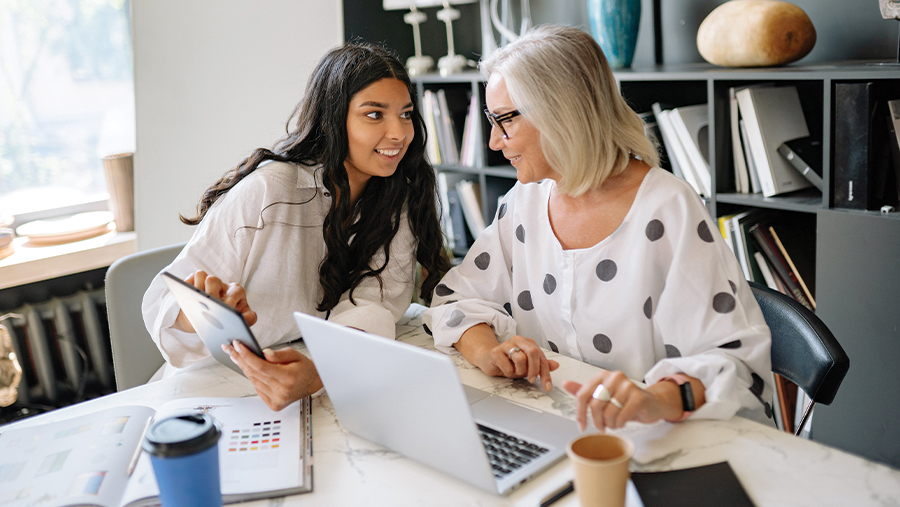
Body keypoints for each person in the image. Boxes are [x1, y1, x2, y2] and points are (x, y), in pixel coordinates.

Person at [423, 25, 773, 432]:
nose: (494, 142)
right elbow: (455, 298)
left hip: (657, 439)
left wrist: (652, 398)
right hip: (554, 426)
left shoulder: (667, 208)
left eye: (504, 121)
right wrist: (490, 352)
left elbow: (733, 360)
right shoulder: (524, 203)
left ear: (559, 113)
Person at [143, 41, 450, 411]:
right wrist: (206, 311)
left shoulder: (395, 199)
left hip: (307, 374)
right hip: (216, 390)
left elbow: (375, 305)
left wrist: (324, 370)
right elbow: (161, 303)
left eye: (405, 114)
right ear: (334, 118)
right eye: (374, 115)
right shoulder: (270, 190)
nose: (399, 133)